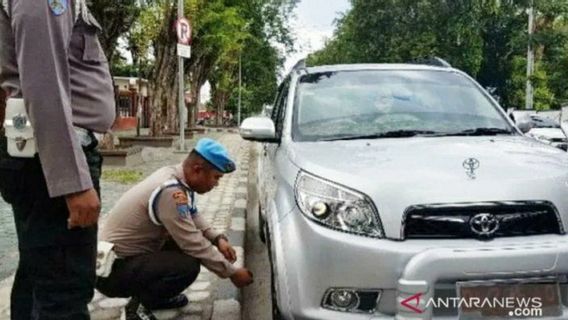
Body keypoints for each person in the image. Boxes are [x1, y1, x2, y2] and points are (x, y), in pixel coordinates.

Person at [0, 1, 115, 319]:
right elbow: (43, 85)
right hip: (52, 159)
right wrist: (73, 182)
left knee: (39, 280)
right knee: (62, 292)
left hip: (42, 157)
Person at [96, 138, 254, 320]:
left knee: (180, 247)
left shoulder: (176, 178)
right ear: (197, 170)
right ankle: (136, 309)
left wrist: (217, 238)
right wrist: (231, 272)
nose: (216, 184)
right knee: (187, 266)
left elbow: (192, 214)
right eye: (216, 177)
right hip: (112, 271)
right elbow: (192, 242)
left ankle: (156, 298)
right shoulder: (171, 191)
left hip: (127, 261)